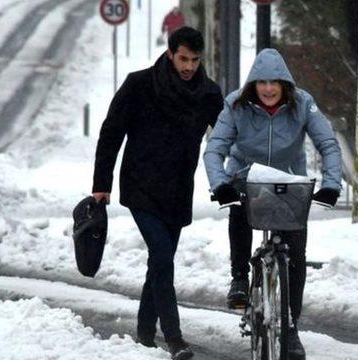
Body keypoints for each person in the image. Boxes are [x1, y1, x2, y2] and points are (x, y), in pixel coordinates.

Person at [92, 27, 223, 360]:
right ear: (170, 53)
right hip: (141, 185)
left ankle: (145, 333)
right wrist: (101, 184)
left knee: (160, 262)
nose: (189, 66)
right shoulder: (140, 85)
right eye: (183, 58)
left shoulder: (208, 94)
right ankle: (174, 338)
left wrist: (234, 173)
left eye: (195, 59)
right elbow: (111, 132)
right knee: (163, 257)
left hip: (178, 188)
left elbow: (225, 136)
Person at [203, 48, 342, 360]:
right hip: (245, 178)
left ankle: (290, 328)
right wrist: (220, 184)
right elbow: (215, 149)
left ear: (285, 84)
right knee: (238, 207)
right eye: (261, 82)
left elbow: (328, 144)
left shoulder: (304, 103)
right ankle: (239, 278)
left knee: (296, 252)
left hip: (288, 182)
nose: (267, 88)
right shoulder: (235, 105)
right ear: (253, 83)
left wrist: (332, 184)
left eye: (274, 82)